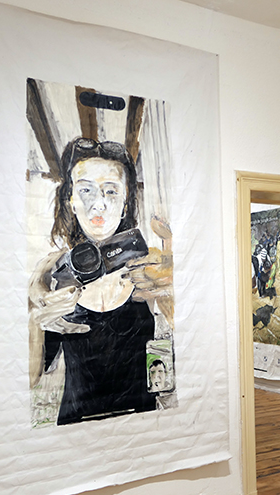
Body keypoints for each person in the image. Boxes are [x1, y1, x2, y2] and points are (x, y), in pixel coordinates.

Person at [28, 137, 172, 425]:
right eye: (85, 190)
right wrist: (34, 321)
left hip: (143, 427)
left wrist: (174, 296)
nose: (99, 205)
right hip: (75, 430)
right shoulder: (53, 275)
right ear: (70, 200)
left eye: (111, 191)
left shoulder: (149, 270)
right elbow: (31, 379)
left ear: (126, 202)